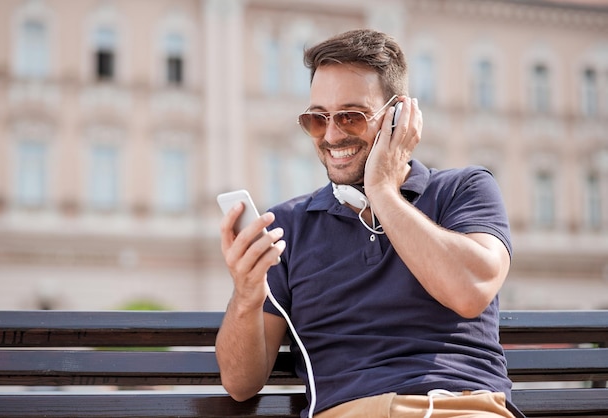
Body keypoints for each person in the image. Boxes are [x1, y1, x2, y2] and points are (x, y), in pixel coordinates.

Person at [216, 29, 523, 418]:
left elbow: (469, 290)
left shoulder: (465, 189)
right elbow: (240, 385)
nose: (330, 135)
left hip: (458, 408)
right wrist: (245, 294)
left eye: (351, 116)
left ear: (399, 115)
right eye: (316, 119)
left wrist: (382, 191)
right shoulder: (286, 227)